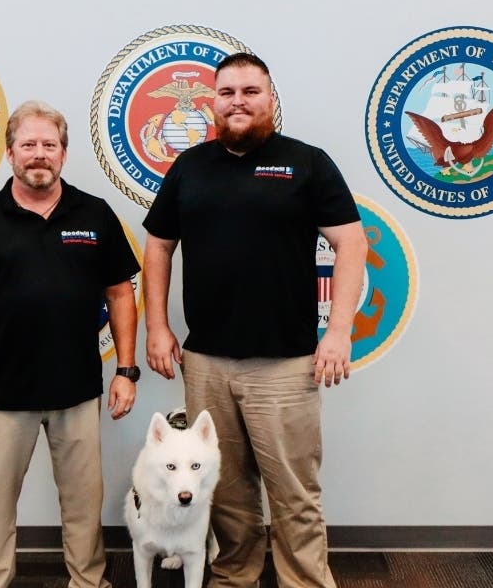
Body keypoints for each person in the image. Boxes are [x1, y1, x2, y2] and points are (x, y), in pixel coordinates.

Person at [142, 53, 368, 588]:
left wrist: (339, 331)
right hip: (206, 362)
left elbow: (352, 243)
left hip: (284, 365)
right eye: (227, 92)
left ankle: (304, 582)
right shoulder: (190, 167)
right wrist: (157, 326)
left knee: (293, 493)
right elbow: (158, 246)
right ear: (213, 102)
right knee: (225, 491)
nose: (238, 102)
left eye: (250, 91)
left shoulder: (306, 163)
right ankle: (234, 576)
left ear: (270, 98)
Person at [0, 100, 142, 588]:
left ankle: (88, 582)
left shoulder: (95, 213)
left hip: (78, 390)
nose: (39, 154)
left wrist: (126, 370)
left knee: (84, 505)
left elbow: (120, 293)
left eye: (50, 145)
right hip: (4, 392)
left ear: (64, 154)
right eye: (28, 144)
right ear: (10, 153)